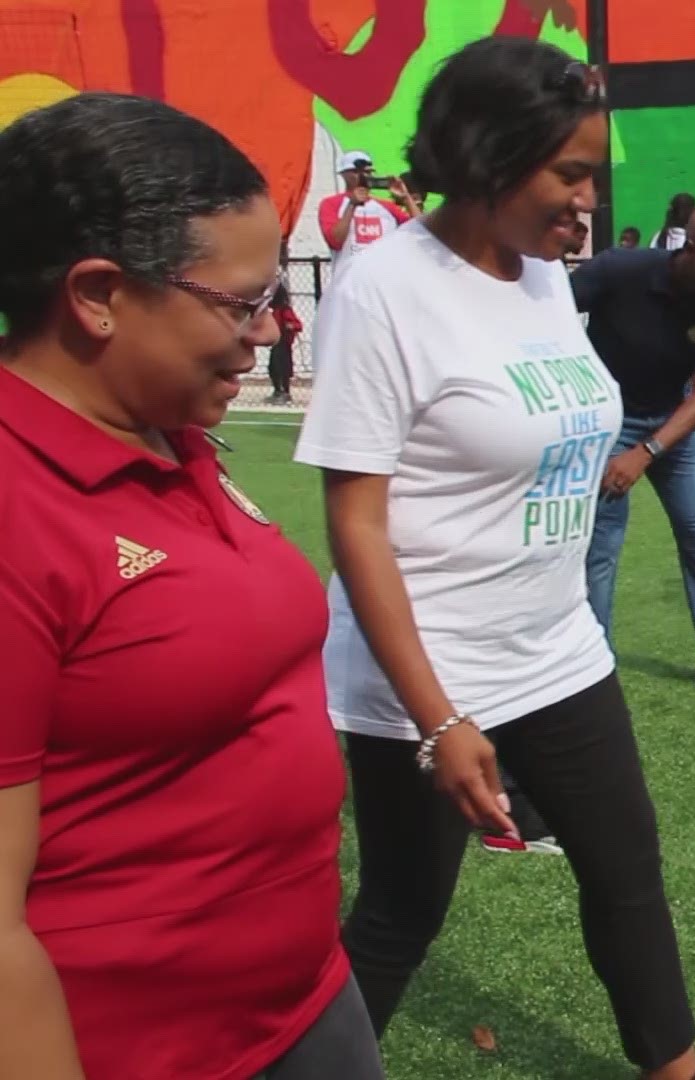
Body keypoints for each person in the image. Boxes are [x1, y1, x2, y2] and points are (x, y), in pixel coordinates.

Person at [291, 38, 695, 1080]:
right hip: (423, 674)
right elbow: (355, 521)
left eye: (593, 175)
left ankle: (680, 1074)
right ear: (489, 157)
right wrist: (439, 717)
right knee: (402, 912)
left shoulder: (542, 277)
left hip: (557, 650)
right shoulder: (384, 289)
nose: (588, 201)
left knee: (627, 872)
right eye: (569, 175)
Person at [0, 92, 383, 1080]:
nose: (272, 328)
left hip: (302, 1003)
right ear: (96, 295)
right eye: (243, 302)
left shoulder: (168, 437)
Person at [573, 205, 695, 701]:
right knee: (601, 549)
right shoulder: (622, 269)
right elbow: (545, 309)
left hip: (671, 428)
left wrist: (647, 451)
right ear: (689, 251)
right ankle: (594, 668)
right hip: (608, 422)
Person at [317, 150, 422, 283]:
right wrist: (352, 205)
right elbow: (335, 241)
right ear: (344, 175)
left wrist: (406, 198)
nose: (363, 176)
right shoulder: (331, 204)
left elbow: (420, 228)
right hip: (348, 282)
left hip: (383, 281)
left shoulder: (386, 206)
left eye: (368, 172)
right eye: (357, 172)